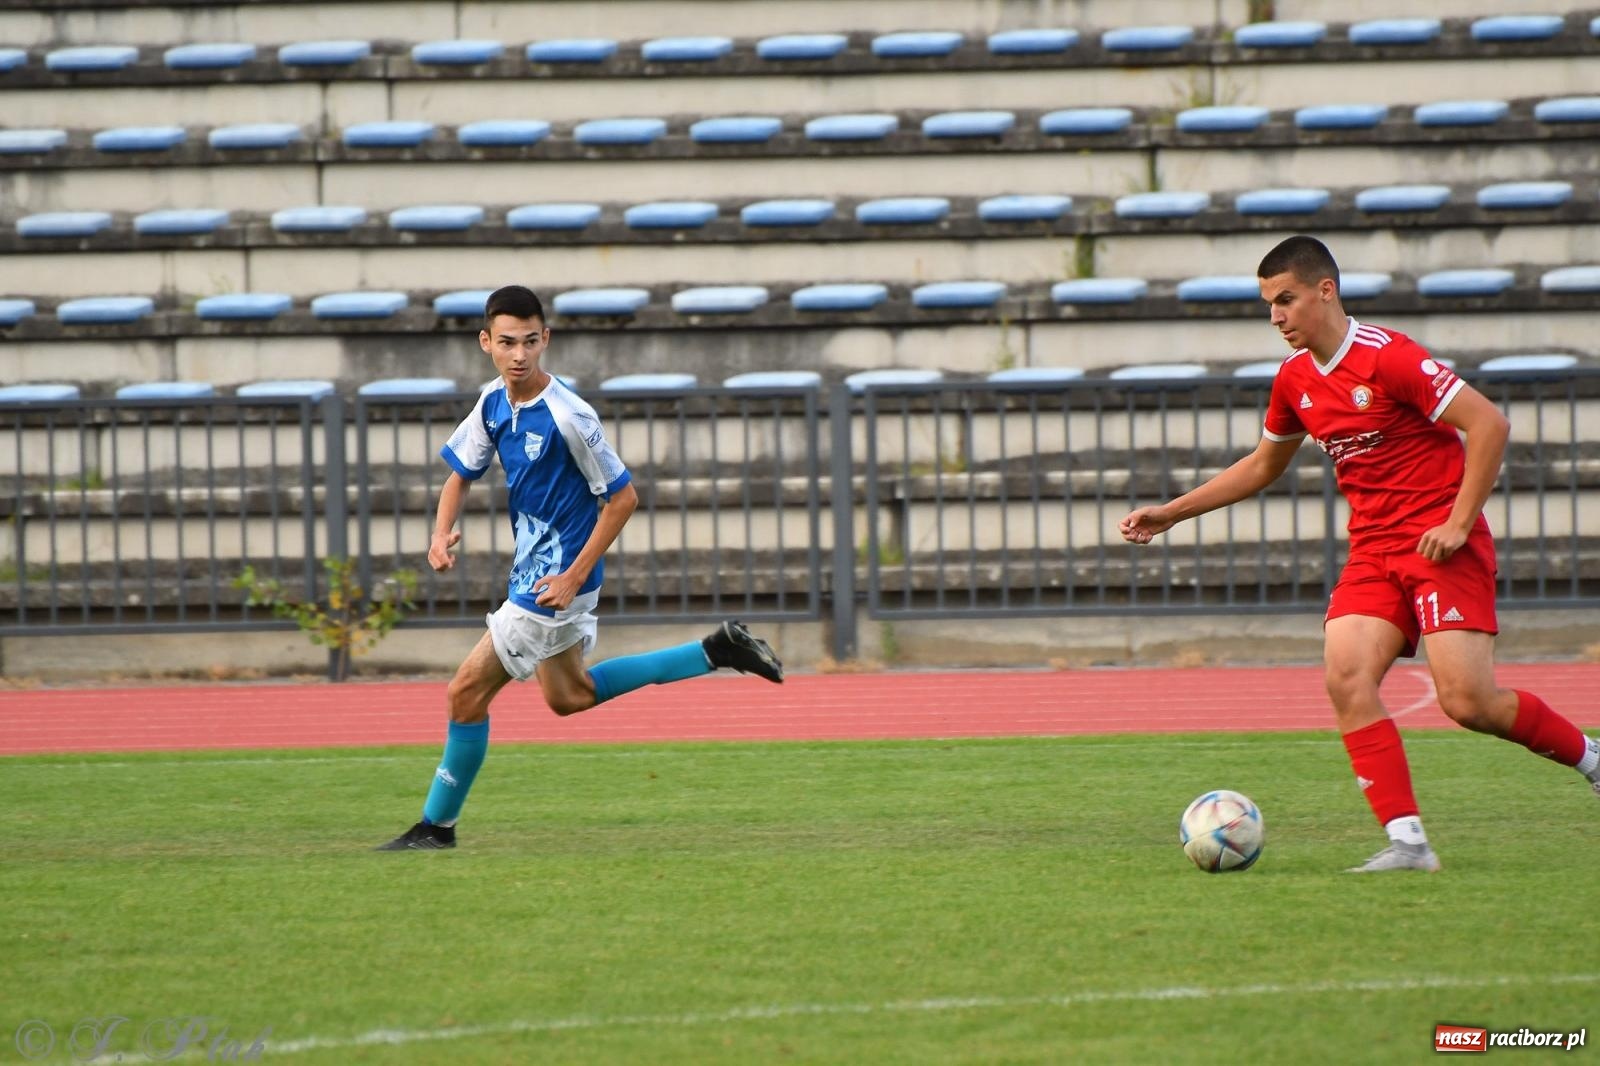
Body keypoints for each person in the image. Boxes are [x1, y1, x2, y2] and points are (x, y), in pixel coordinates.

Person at [1118, 235, 1600, 872]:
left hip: (1439, 545)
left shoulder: (1389, 357)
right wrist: (1171, 512)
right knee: (1346, 676)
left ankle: (1592, 758)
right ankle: (1408, 844)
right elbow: (1264, 465)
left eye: (1286, 299)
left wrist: (1458, 523)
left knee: (1468, 703)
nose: (1276, 317)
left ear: (1326, 290)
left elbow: (1489, 424)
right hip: (1374, 553)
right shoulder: (1294, 381)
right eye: (1268, 305)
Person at [377, 285, 784, 851]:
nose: (519, 354)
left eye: (529, 341)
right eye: (506, 343)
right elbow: (459, 474)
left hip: (553, 581)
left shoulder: (571, 415)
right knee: (570, 697)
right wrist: (440, 532)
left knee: (464, 694)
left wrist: (572, 577)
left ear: (545, 339)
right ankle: (716, 650)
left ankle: (435, 827)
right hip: (538, 576)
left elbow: (623, 498)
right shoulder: (493, 402)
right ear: (486, 343)